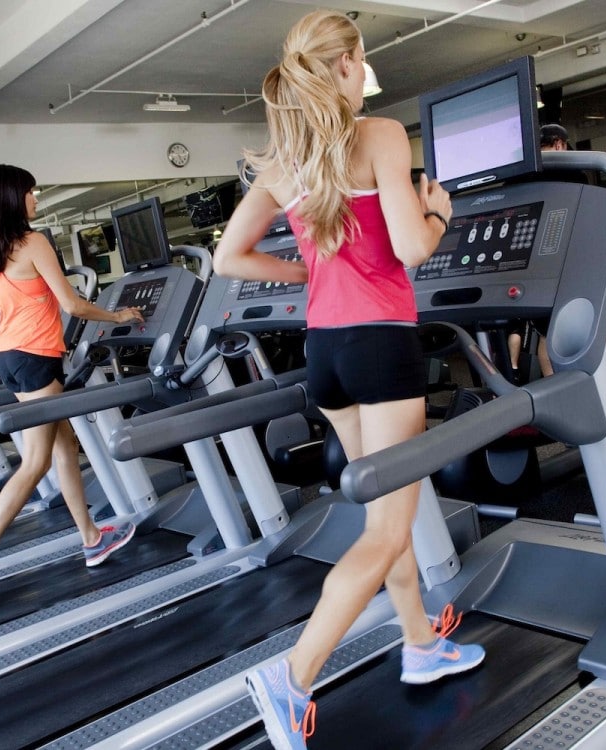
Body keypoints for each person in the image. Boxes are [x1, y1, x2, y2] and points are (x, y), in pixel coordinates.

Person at [213, 11, 484, 748]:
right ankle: (291, 676)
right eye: (361, 59)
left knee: (384, 517)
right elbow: (410, 249)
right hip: (383, 348)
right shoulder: (383, 137)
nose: (366, 72)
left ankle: (422, 643)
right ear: (342, 66)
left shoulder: (284, 161)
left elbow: (227, 258)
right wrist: (438, 215)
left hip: (326, 352)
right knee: (389, 527)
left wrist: (300, 271)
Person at [0, 164, 145, 609]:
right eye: (30, 192)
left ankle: (91, 538)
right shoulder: (32, 242)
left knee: (63, 444)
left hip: (10, 358)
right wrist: (118, 316)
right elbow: (72, 304)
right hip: (36, 358)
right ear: (11, 198)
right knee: (36, 460)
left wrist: (7, 300)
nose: (36, 197)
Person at [505, 123, 573, 379]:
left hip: (526, 262)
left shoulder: (524, 176)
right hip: (563, 261)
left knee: (545, 331)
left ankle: (551, 387)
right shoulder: (572, 175)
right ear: (558, 144)